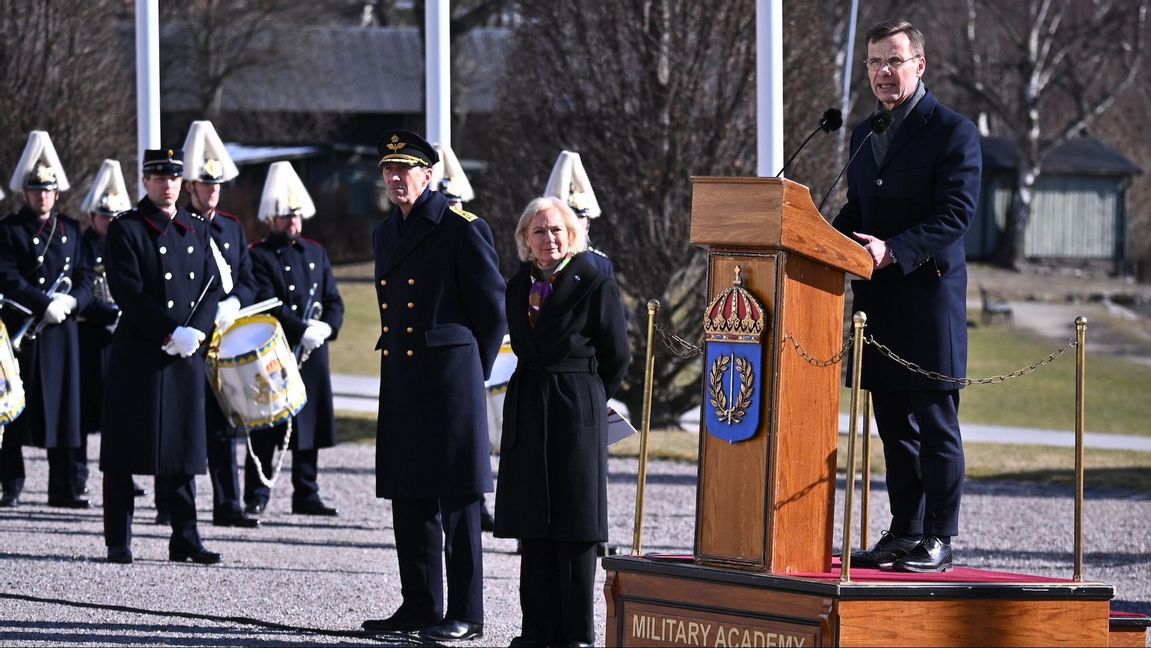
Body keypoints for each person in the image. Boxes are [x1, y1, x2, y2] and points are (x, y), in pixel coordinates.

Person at [832, 19, 982, 573]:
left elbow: (956, 216)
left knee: (935, 426)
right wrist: (818, 239)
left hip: (928, 300)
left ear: (919, 64)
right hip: (879, 304)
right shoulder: (864, 133)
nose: (882, 73)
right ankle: (905, 531)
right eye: (873, 63)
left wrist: (893, 250)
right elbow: (856, 213)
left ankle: (940, 537)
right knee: (895, 428)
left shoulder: (952, 131)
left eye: (893, 61)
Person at [362, 130, 505, 643]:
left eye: (407, 170)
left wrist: (471, 373)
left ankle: (466, 613)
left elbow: (493, 312)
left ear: (429, 174)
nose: (397, 179)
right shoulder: (385, 234)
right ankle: (420, 603)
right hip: (404, 376)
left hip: (450, 381)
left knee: (458, 501)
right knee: (410, 494)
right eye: (389, 170)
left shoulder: (461, 227)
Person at [493, 196, 629, 648]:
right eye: (538, 231)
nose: (548, 238)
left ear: (571, 235)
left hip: (576, 406)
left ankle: (576, 634)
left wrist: (589, 400)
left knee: (575, 522)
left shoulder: (594, 280)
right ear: (524, 240)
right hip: (530, 404)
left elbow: (617, 356)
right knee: (533, 519)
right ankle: (537, 630)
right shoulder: (517, 286)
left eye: (556, 230)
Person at [99, 148, 223, 565]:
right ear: (145, 182)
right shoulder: (126, 228)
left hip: (184, 352)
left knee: (183, 449)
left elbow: (212, 286)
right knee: (123, 451)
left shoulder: (196, 226)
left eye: (173, 177)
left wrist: (198, 332)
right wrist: (169, 331)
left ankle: (185, 537)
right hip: (141, 353)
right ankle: (119, 539)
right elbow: (128, 292)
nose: (167, 184)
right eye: (158, 177)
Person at [243, 161, 344, 518]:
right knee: (268, 424)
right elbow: (267, 301)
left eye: (298, 217)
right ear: (271, 218)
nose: (294, 224)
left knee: (309, 423)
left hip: (313, 352)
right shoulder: (258, 255)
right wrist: (302, 329)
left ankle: (307, 492)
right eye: (286, 217)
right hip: (276, 350)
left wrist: (327, 329)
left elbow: (333, 300)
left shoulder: (315, 252)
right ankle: (257, 492)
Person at [0, 131, 92, 509]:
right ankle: (12, 483)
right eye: (36, 190)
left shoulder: (71, 230)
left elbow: (87, 276)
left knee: (64, 411)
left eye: (49, 190)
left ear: (57, 193)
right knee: (15, 409)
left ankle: (63, 488)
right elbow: (6, 275)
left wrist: (73, 300)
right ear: (26, 193)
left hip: (62, 333)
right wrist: (41, 302)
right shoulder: (9, 229)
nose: (43, 196)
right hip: (25, 329)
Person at [181, 120, 260, 529]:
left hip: (223, 343)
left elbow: (248, 278)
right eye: (204, 183)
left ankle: (228, 505)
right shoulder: (179, 226)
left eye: (217, 184)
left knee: (224, 426)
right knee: (183, 425)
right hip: (190, 341)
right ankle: (175, 507)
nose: (212, 190)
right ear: (190, 186)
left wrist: (234, 302)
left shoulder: (230, 227)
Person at [75, 159, 147, 500]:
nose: (109, 221)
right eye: (104, 215)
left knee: (121, 414)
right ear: (92, 216)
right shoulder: (81, 244)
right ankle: (76, 478)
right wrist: (109, 312)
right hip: (88, 335)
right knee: (81, 412)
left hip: (122, 336)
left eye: (115, 216)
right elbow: (81, 288)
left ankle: (124, 475)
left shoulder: (128, 241)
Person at [544, 150, 613, 278]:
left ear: (588, 224)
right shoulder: (538, 261)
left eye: (580, 217)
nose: (574, 222)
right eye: (569, 217)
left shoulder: (601, 264)